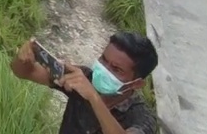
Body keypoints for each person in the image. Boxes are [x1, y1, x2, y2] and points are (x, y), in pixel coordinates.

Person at [10, 32, 159, 134]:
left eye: (116, 69)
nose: (103, 70)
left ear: (136, 84)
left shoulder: (142, 117)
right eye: (103, 60)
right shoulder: (84, 77)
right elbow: (24, 72)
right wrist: (23, 58)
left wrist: (93, 98)